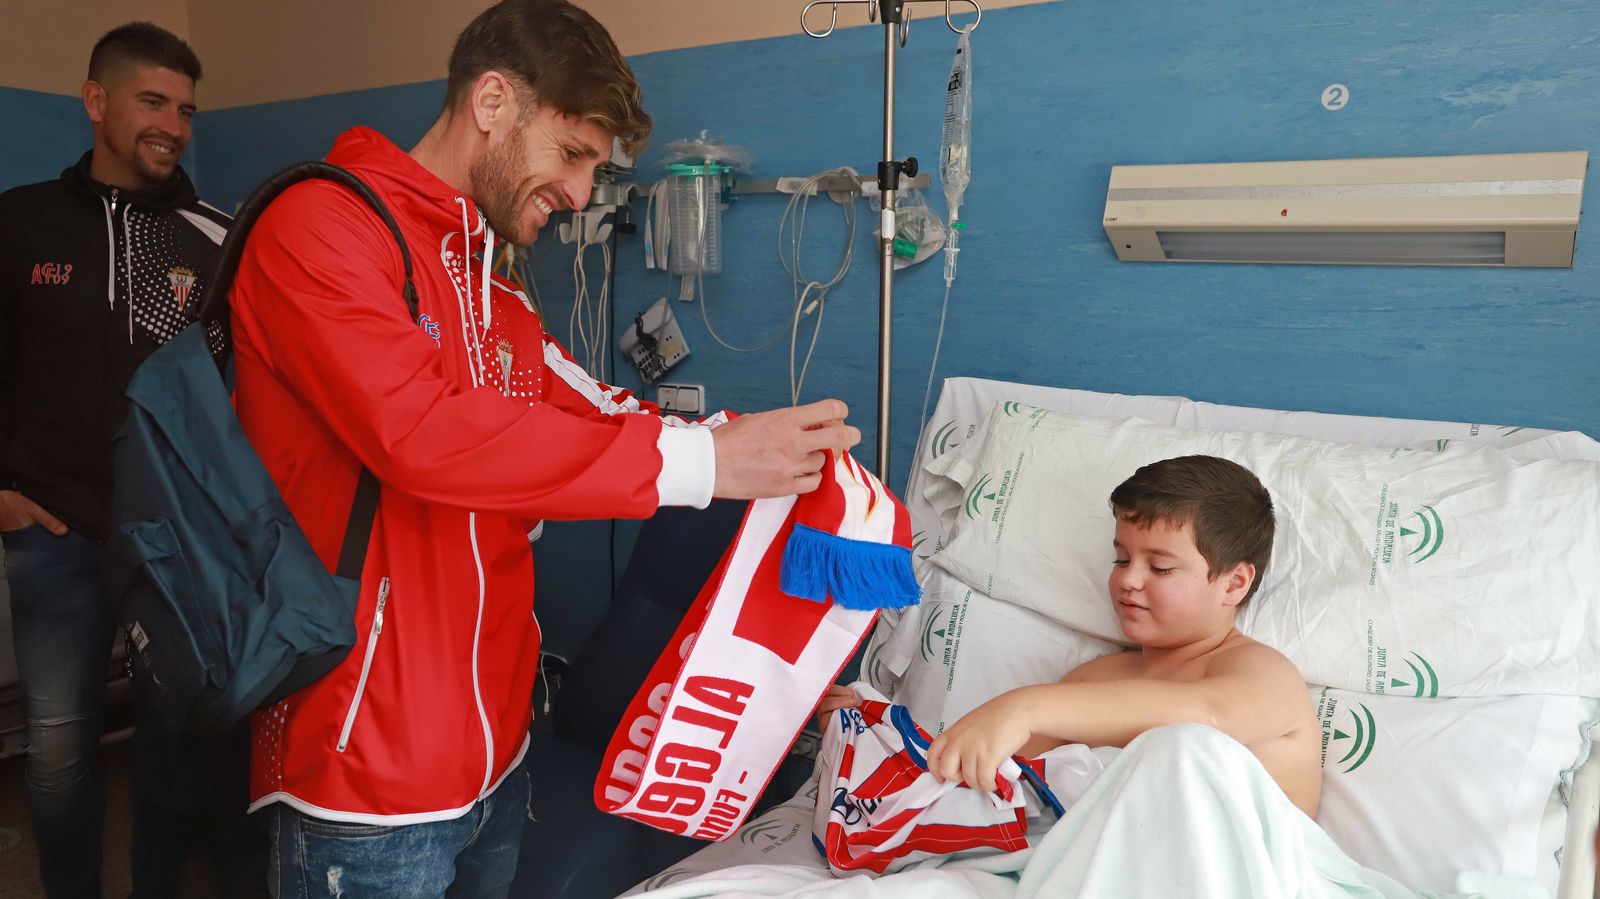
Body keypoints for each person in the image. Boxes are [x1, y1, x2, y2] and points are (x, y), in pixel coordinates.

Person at [225, 1, 860, 895]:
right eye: (570, 155)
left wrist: (743, 441)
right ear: (492, 102)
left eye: (594, 169)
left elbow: (589, 404)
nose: (577, 194)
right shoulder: (322, 229)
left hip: (497, 747)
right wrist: (704, 466)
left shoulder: (497, 288)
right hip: (368, 767)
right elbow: (422, 435)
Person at [0, 21, 263, 898]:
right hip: (52, 532)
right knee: (59, 747)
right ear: (96, 100)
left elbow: (246, 385)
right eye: (153, 101)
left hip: (172, 535)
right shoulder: (21, 221)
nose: (174, 125)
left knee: (173, 733)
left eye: (186, 110)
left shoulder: (214, 234)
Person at [820, 454, 1321, 818]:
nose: (1128, 579)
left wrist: (1026, 706)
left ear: (1235, 582)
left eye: (1160, 567)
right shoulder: (1097, 679)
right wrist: (866, 735)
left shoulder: (1260, 671)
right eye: (1121, 559)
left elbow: (1210, 719)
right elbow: (990, 779)